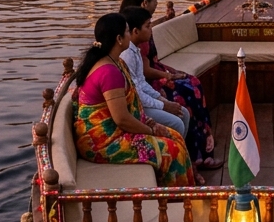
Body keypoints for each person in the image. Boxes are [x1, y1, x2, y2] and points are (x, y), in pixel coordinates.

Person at [73, 13, 194, 187]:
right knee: (172, 150)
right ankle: (174, 202)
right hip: (102, 142)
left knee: (175, 136)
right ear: (119, 39)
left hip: (115, 132)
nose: (131, 35)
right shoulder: (109, 72)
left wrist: (151, 123)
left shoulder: (116, 63)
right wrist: (151, 130)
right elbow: (121, 119)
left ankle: (178, 191)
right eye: (128, 32)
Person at [120, 0, 221, 171]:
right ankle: (197, 154)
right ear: (144, 3)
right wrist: (169, 79)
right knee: (190, 91)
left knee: (193, 83)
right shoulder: (130, 47)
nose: (157, 4)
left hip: (147, 83)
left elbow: (139, 79)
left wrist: (165, 20)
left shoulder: (135, 31)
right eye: (155, 1)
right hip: (150, 83)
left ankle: (197, 149)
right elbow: (143, 76)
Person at [122, 6, 190, 141]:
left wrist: (162, 100)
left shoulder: (135, 51)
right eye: (148, 26)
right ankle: (176, 157)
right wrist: (164, 105)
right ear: (135, 31)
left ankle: (181, 155)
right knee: (177, 123)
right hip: (136, 107)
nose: (151, 30)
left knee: (184, 113)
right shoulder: (127, 55)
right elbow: (136, 93)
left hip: (142, 101)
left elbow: (141, 82)